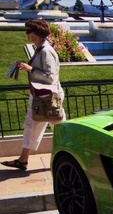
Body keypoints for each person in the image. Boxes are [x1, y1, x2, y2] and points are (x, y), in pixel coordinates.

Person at [1, 18, 65, 172]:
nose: (26, 34)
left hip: (46, 98)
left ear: (36, 33)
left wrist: (31, 70)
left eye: (29, 31)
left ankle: (74, 155)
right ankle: (23, 160)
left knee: (60, 128)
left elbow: (50, 76)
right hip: (40, 97)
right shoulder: (39, 49)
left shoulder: (46, 51)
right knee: (33, 127)